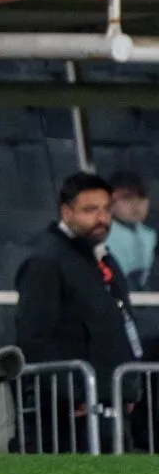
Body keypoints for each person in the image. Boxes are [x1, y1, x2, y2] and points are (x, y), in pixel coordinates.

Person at [14, 172, 143, 453]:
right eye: (90, 209)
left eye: (106, 209)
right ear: (67, 212)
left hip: (111, 407)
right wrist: (74, 394)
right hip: (68, 421)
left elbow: (120, 326)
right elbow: (33, 339)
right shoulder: (46, 262)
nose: (102, 218)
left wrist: (129, 387)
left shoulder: (102, 259)